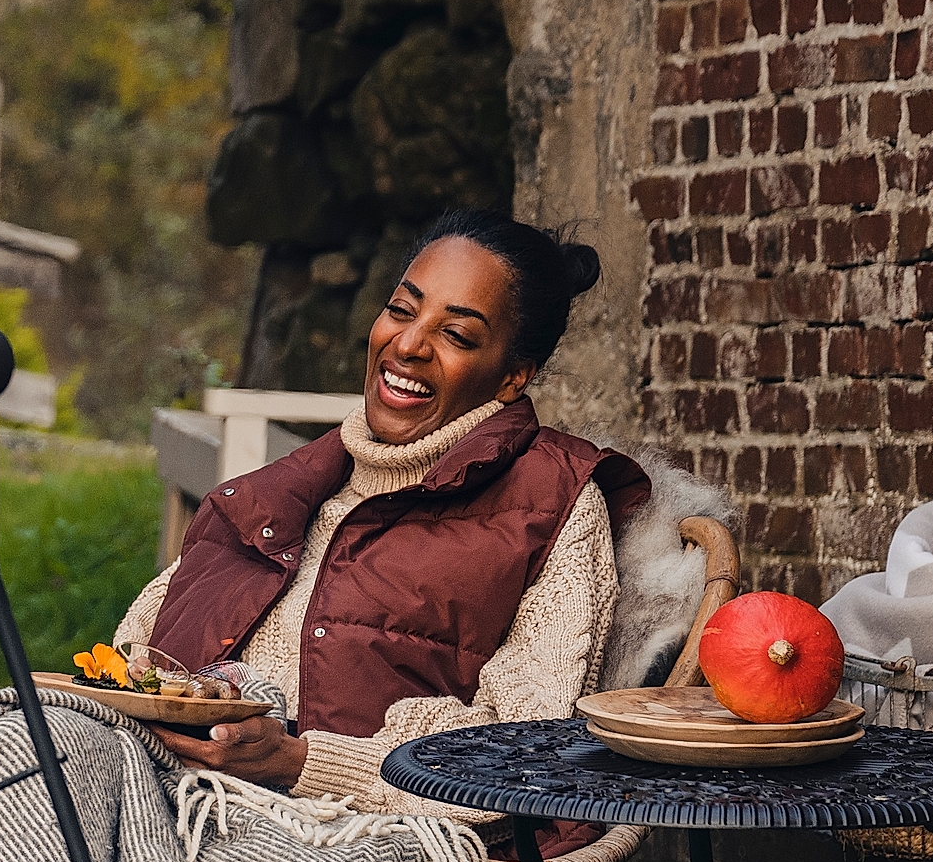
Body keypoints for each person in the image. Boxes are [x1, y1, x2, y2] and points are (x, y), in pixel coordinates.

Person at [115, 208, 645, 823]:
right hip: (170, 794)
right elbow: (133, 656)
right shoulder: (277, 494)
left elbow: (522, 754)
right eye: (401, 309)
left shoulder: (554, 501)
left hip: (345, 840)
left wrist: (299, 762)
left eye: (458, 335)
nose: (410, 344)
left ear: (512, 377)